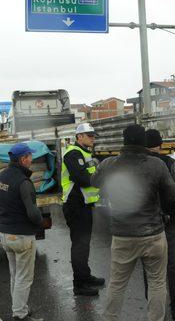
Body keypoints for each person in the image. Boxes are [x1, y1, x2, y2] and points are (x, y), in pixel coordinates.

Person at [92, 124, 175, 321]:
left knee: (117, 283)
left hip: (123, 236)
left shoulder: (109, 164)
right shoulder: (156, 164)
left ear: (124, 141)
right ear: (144, 142)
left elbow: (93, 182)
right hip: (153, 234)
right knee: (157, 282)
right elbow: (172, 195)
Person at [144, 129, 175, 320]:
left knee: (151, 270)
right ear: (160, 144)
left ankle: (155, 312)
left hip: (147, 225)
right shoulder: (168, 163)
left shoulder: (137, 164)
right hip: (171, 223)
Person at [0, 142, 44, 321]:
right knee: (24, 278)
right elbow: (32, 213)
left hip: (6, 234)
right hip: (22, 236)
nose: (32, 159)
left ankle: (19, 308)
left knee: (15, 275)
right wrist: (39, 221)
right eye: (30, 156)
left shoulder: (1, 177)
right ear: (23, 159)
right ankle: (20, 315)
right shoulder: (24, 182)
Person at [61, 122, 104, 296]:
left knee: (84, 244)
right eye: (90, 135)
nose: (93, 138)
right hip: (75, 205)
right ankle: (79, 284)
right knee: (79, 245)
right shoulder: (73, 153)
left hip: (84, 205)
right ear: (79, 137)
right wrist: (100, 179)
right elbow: (82, 179)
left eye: (94, 136)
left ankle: (85, 276)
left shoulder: (85, 154)